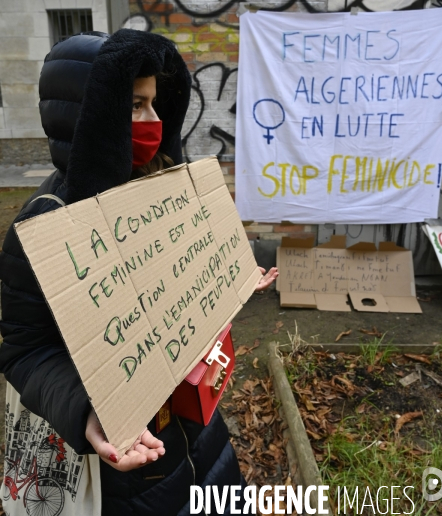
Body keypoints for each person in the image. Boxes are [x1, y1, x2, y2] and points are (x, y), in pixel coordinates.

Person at [0, 29, 278, 516]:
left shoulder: (163, 188)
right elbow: (26, 350)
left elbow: (185, 284)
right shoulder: (43, 225)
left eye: (155, 103)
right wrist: (86, 412)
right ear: (90, 111)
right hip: (128, 471)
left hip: (199, 430)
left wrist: (229, 278)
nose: (153, 119)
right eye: (134, 105)